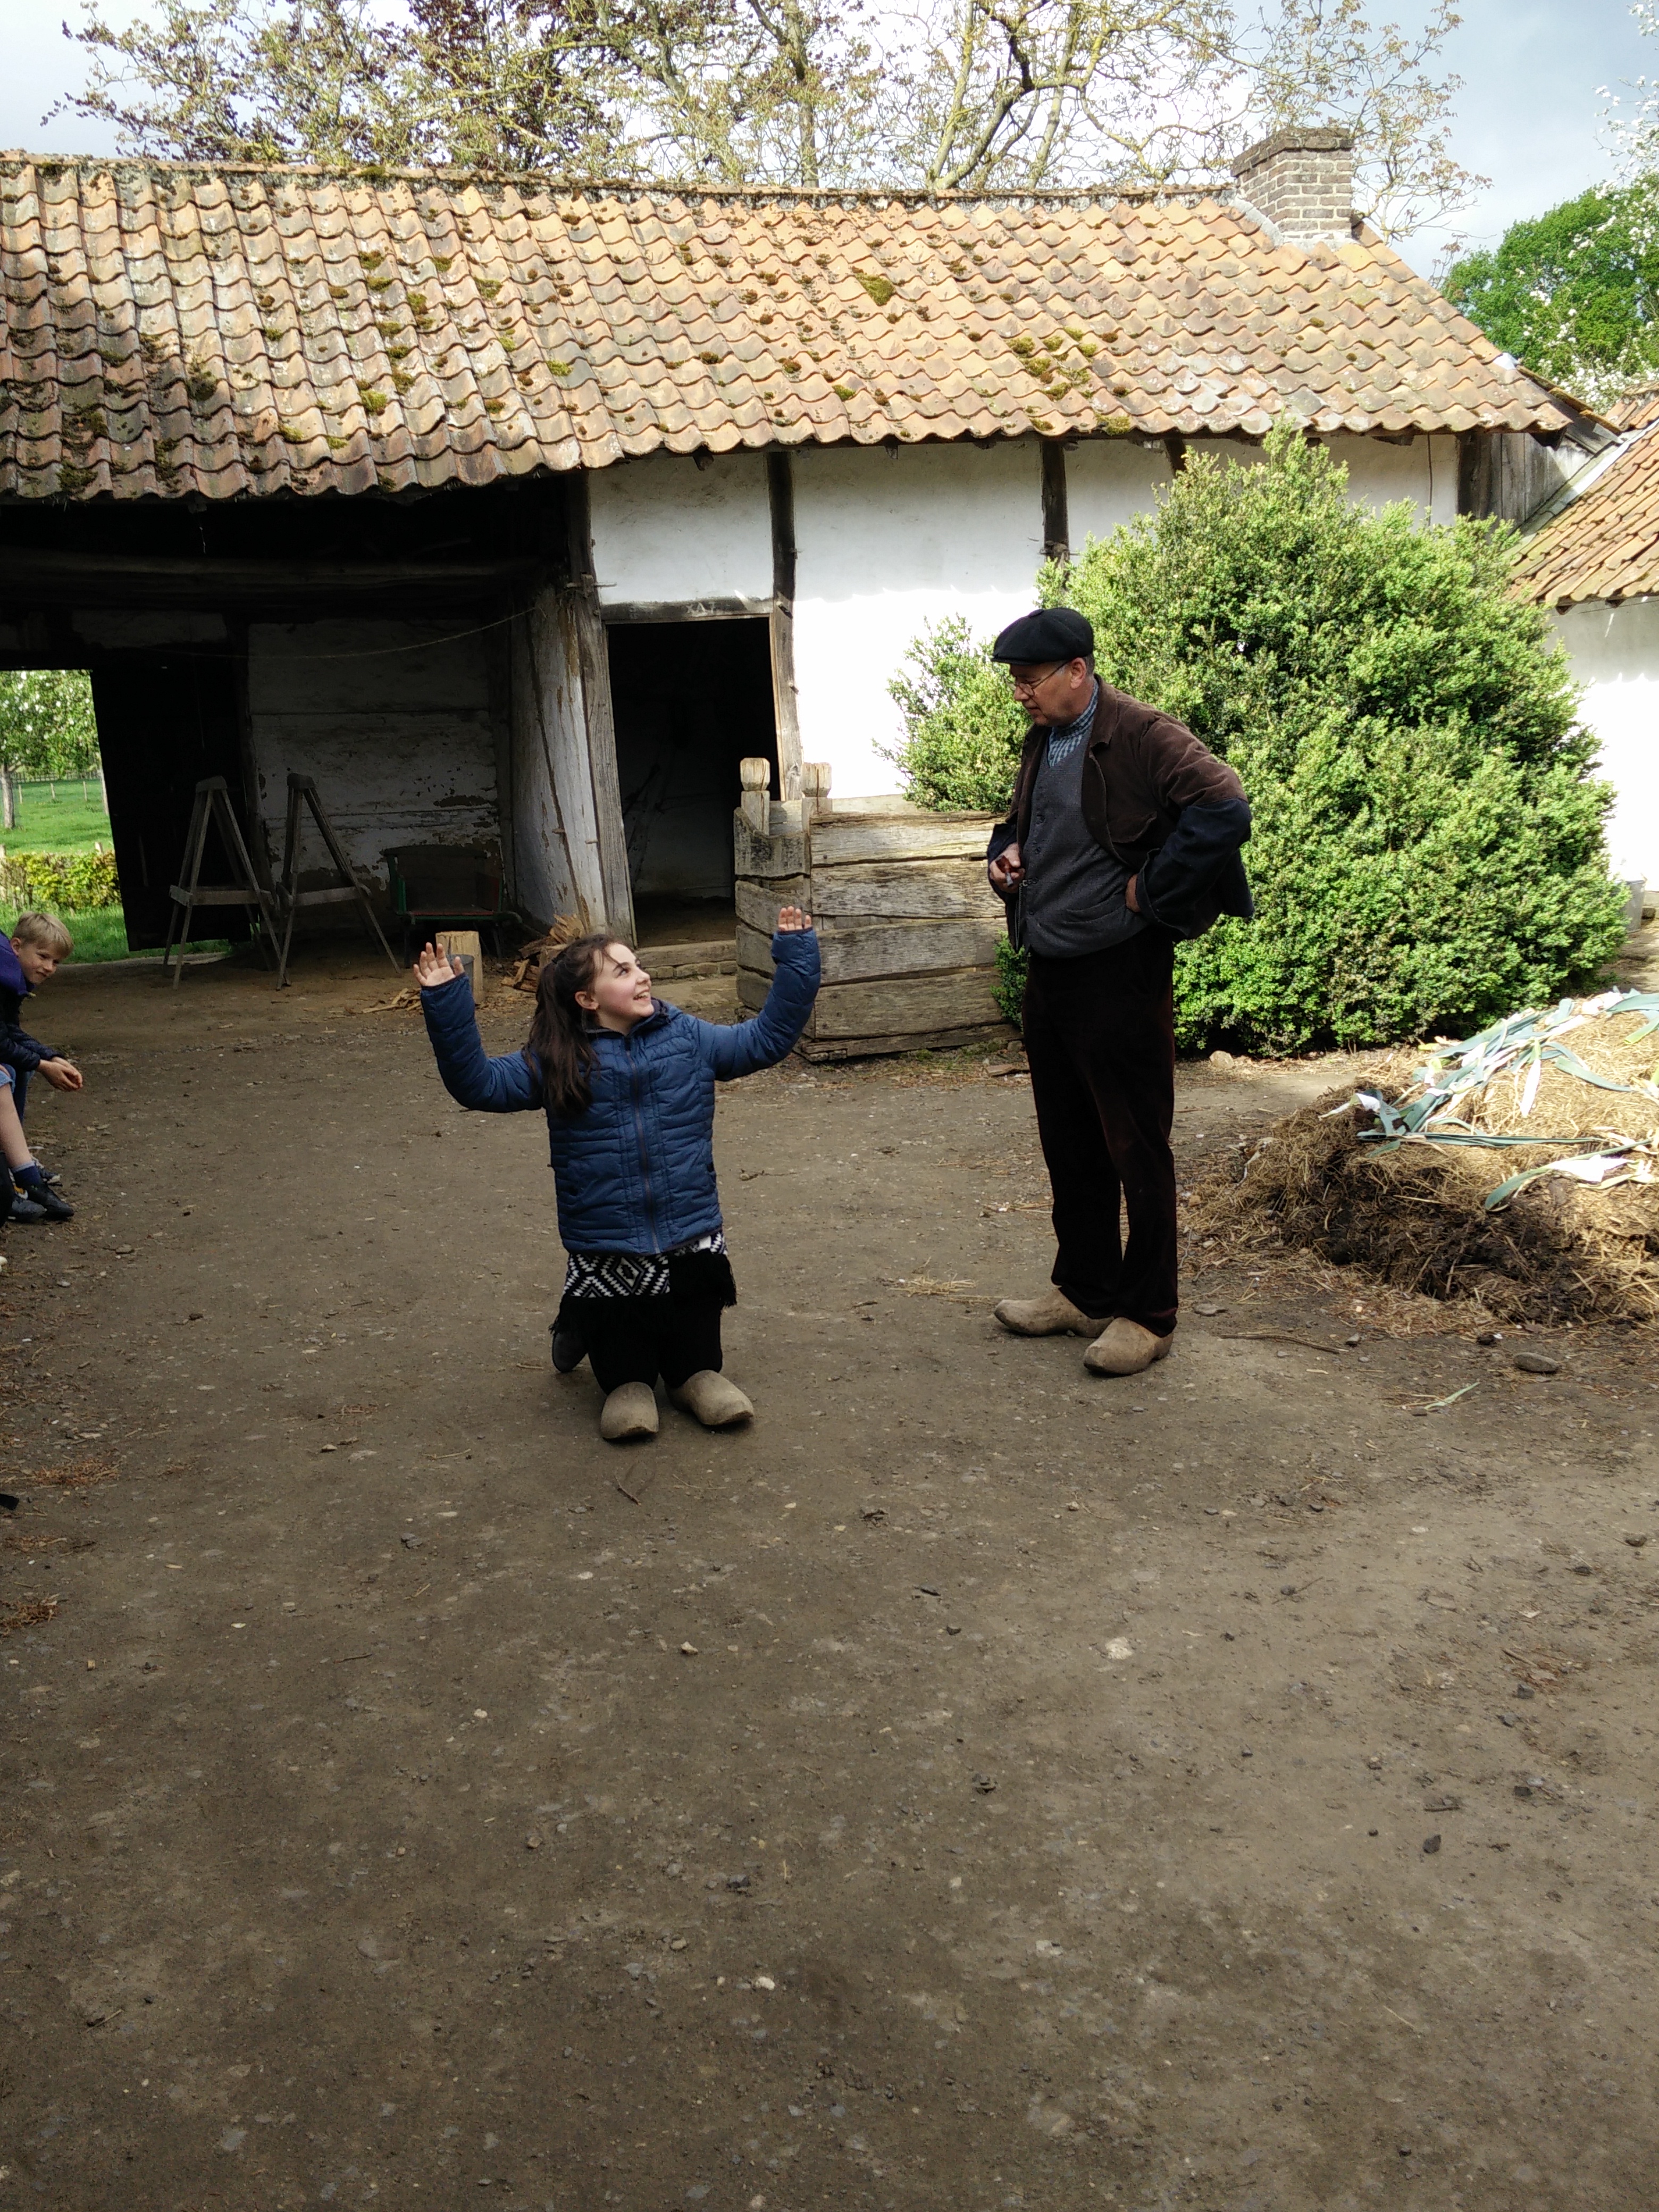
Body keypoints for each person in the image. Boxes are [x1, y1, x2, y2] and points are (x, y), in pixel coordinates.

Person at [416, 910, 819, 1443]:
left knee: (694, 1325)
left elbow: (766, 1039)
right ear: (587, 998)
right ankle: (624, 1379)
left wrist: (796, 958)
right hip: (605, 1235)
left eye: (638, 965)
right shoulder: (557, 1058)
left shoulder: (688, 1037)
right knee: (622, 1334)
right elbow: (479, 1084)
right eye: (624, 971)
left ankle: (694, 1377)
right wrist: (447, 1001)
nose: (643, 975)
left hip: (689, 1225)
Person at [985, 608, 1252, 1377]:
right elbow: (1021, 826)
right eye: (1015, 683)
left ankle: (1149, 1313)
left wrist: (1155, 891)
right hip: (1052, 967)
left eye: (1030, 681)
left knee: (1137, 1147)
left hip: (1119, 973)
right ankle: (1086, 1291)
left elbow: (1225, 806)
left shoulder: (1141, 731)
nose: (1020, 696)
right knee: (1069, 1143)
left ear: (1077, 670)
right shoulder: (1046, 738)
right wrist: (1004, 858)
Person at [0, 913, 82, 1224]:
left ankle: (13, 1161)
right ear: (17, 946)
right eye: (44, 957)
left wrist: (51, 1057)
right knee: (3, 1074)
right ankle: (21, 1179)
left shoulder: (9, 978)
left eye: (56, 962)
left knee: (21, 1068)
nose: (49, 967)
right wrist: (44, 1064)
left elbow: (9, 1032)